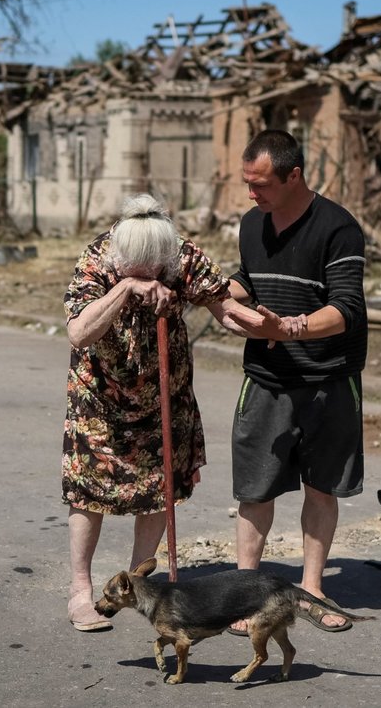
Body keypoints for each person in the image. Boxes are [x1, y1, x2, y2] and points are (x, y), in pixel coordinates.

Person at [61, 192, 265, 631]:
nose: (152, 273)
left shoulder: (178, 252)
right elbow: (79, 331)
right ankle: (81, 591)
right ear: (121, 255)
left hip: (163, 396)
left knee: (158, 487)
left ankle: (138, 583)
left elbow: (224, 308)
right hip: (102, 398)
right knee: (89, 491)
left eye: (158, 267)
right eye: (141, 268)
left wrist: (267, 326)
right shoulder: (98, 259)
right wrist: (126, 289)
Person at [226, 129, 368, 633]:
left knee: (321, 487)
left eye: (261, 184)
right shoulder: (251, 223)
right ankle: (245, 593)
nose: (251, 194)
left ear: (294, 176)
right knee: (255, 490)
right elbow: (249, 278)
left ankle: (312, 588)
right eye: (247, 182)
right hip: (265, 379)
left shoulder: (338, 229)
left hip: (329, 379)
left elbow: (346, 309)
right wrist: (227, 299)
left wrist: (286, 328)